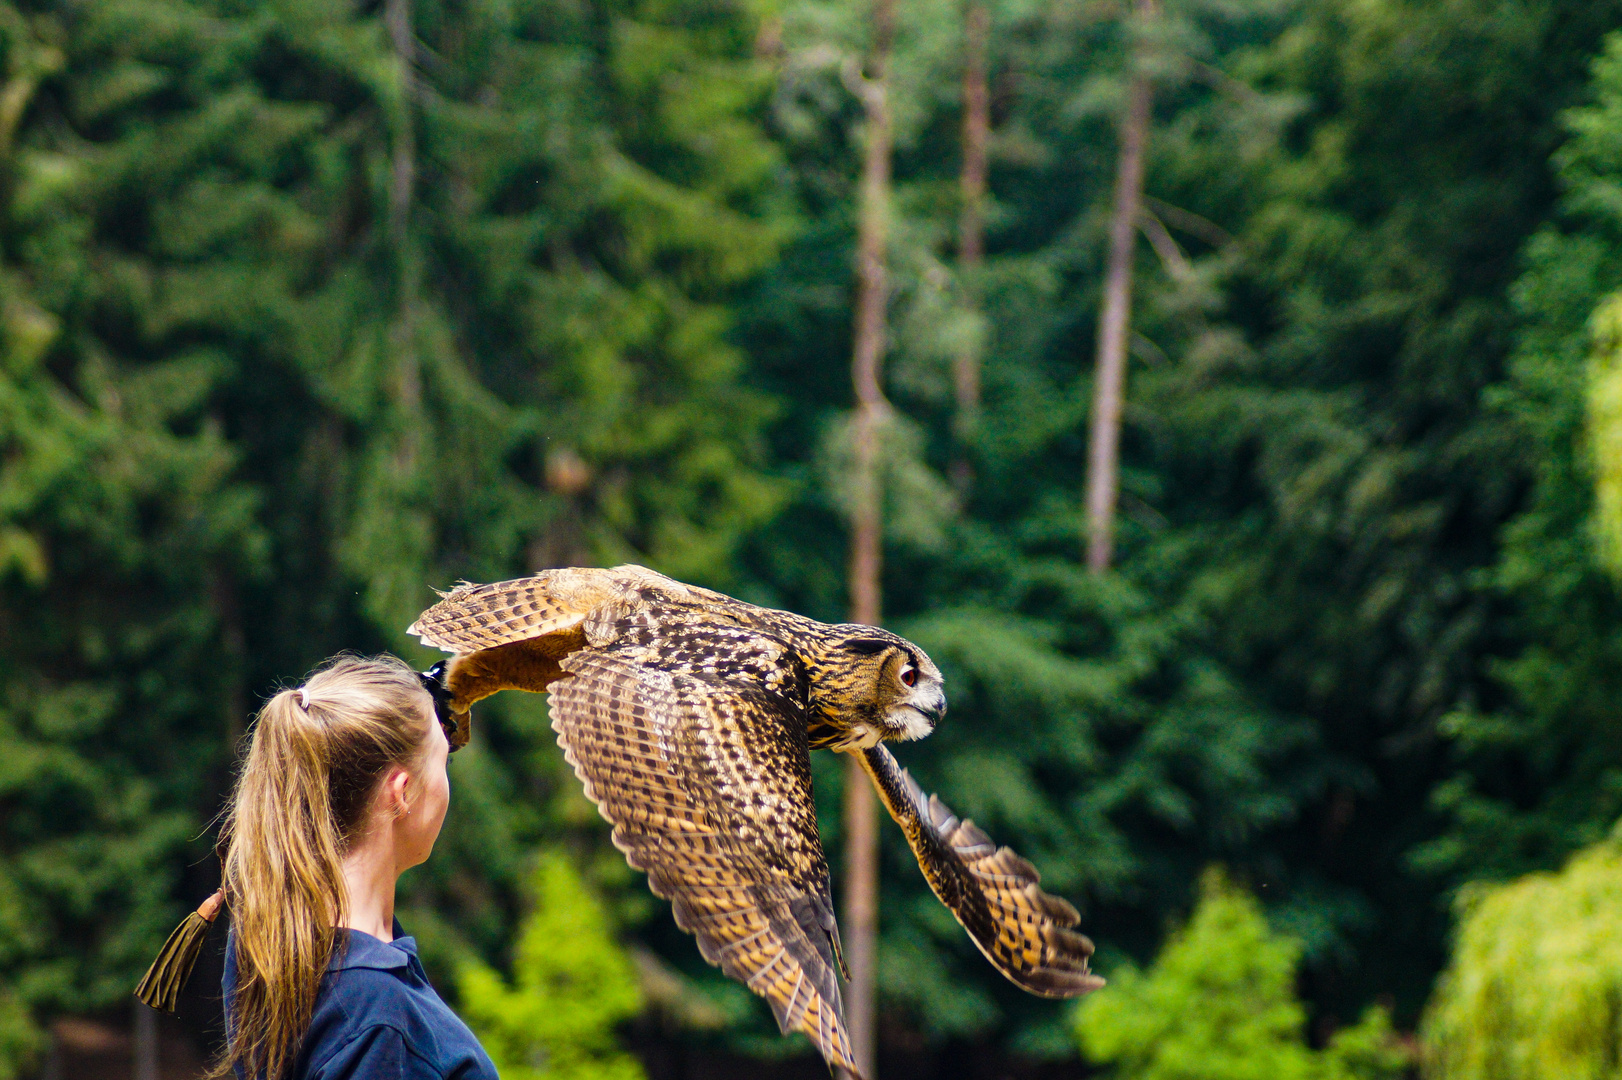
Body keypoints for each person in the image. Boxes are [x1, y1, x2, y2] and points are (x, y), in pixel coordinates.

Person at [213, 654, 496, 1080]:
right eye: (444, 760)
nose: (446, 779)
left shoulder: (273, 938)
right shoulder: (379, 1018)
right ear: (400, 792)